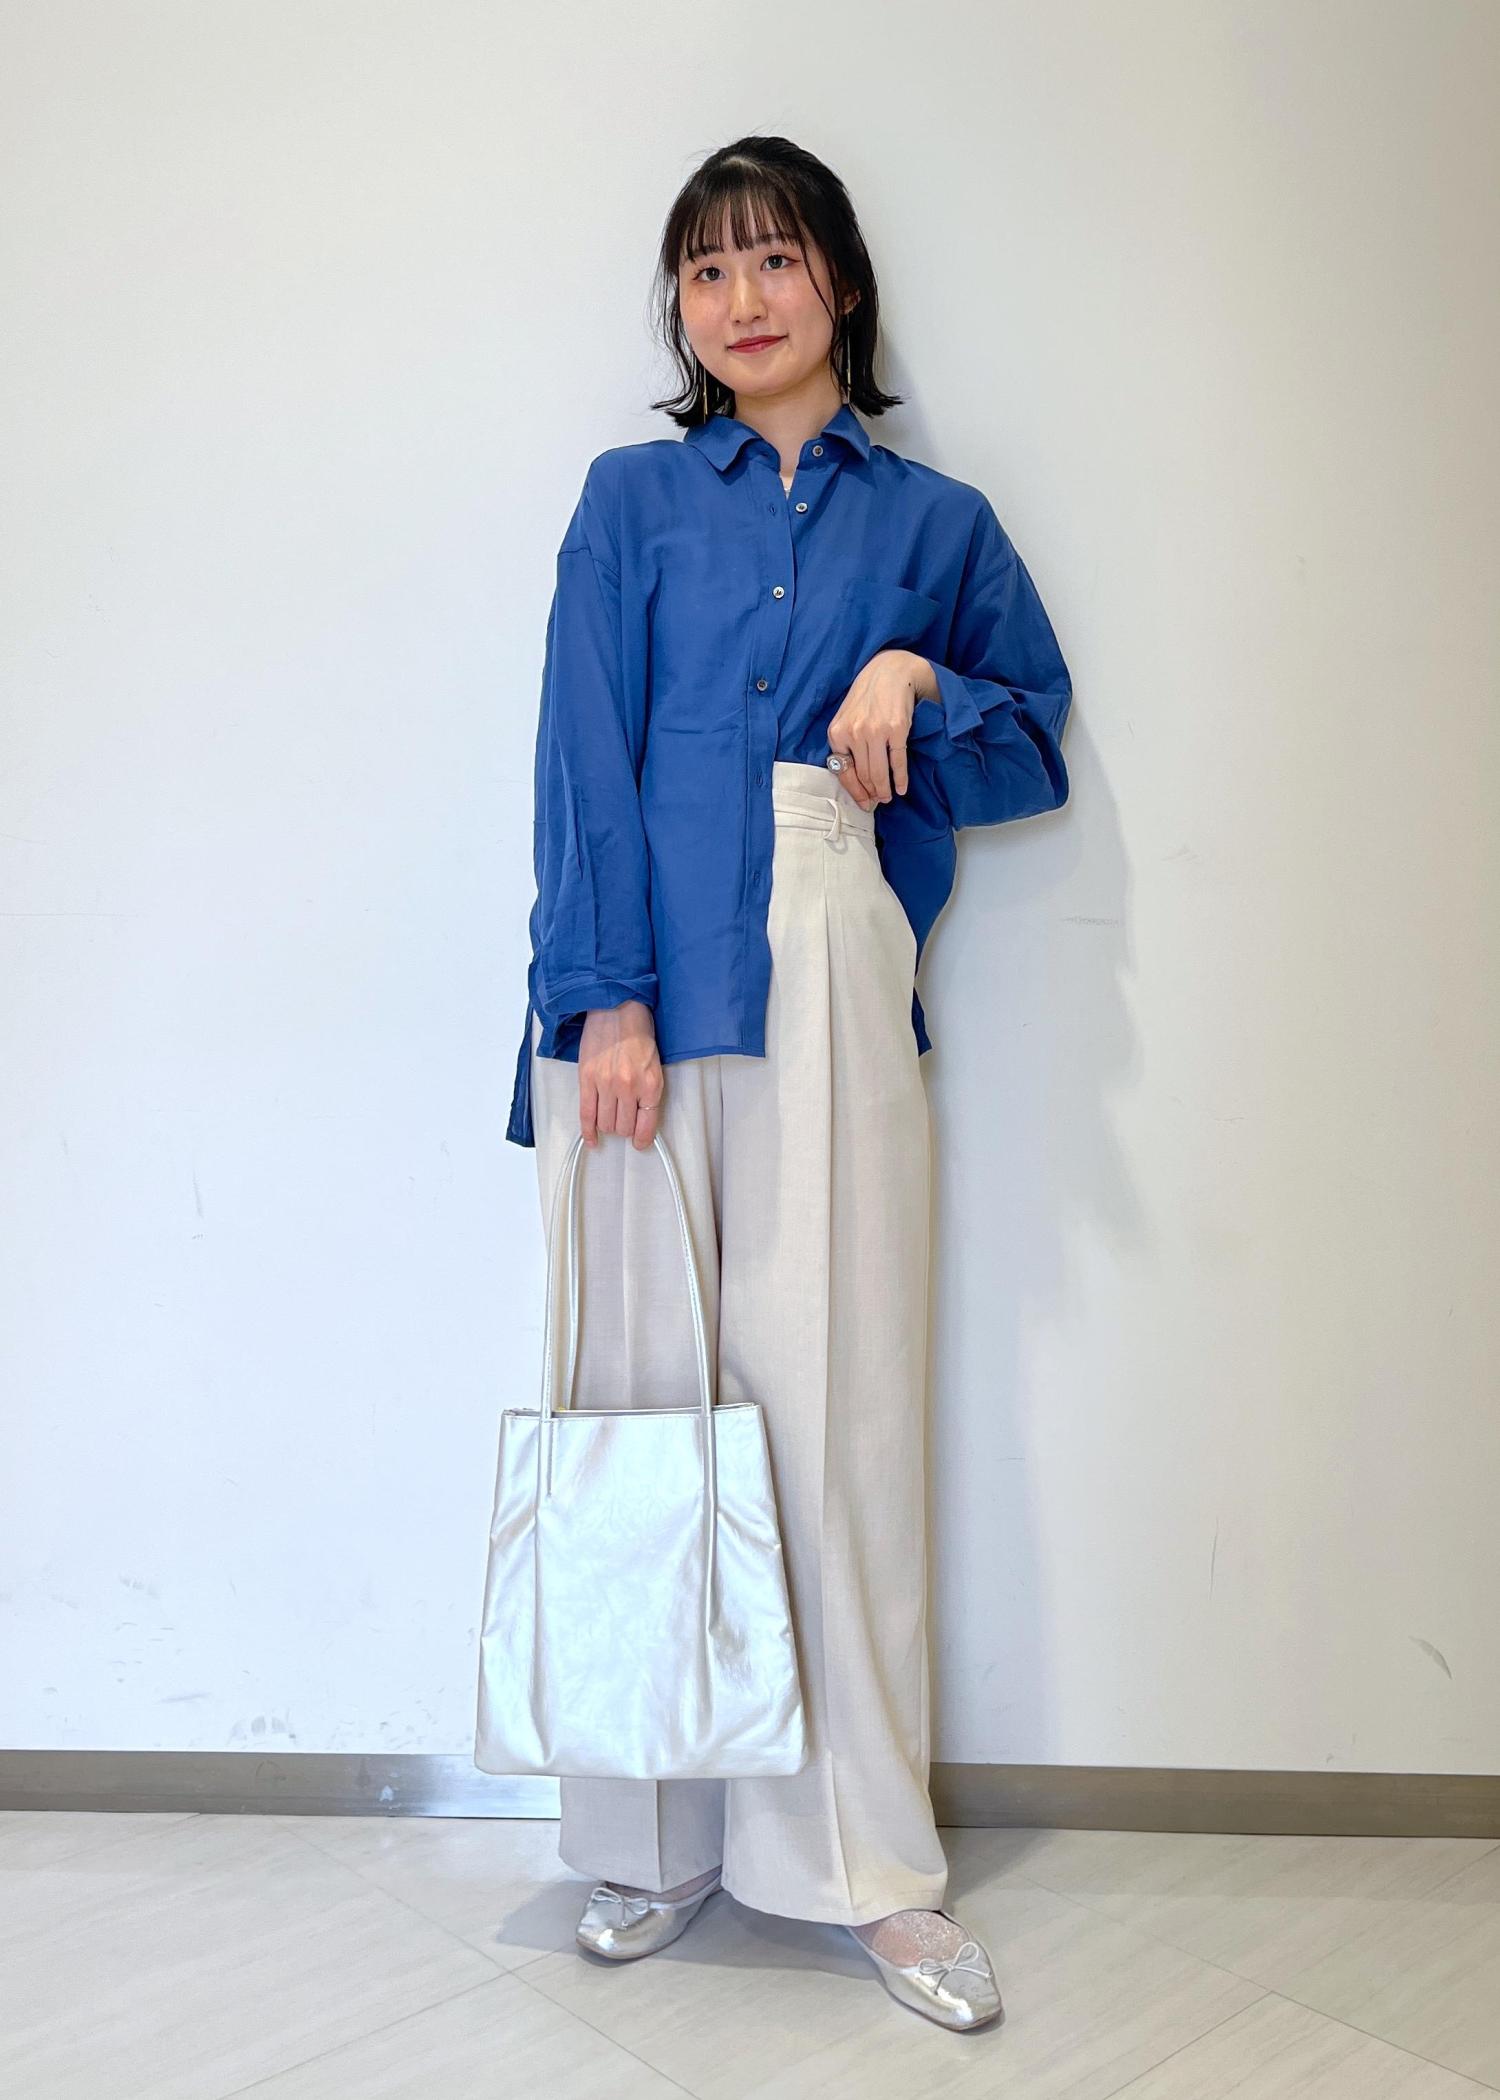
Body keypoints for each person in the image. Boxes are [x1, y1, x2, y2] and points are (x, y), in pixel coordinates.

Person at [504, 135, 1072, 2033]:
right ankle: (648, 1840)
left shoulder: (938, 526)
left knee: (839, 1416)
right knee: (643, 1409)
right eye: (705, 269)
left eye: (772, 259)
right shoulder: (631, 501)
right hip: (639, 987)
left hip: (831, 954)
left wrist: (918, 673)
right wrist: (601, 999)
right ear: (680, 308)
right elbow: (580, 749)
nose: (740, 300)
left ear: (840, 280)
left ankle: (866, 1869)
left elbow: (1031, 740)